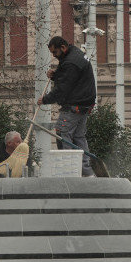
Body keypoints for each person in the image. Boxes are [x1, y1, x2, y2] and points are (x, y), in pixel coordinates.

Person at [38, 36, 97, 177]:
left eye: (55, 52)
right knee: (78, 137)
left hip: (74, 104)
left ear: (63, 48)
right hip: (84, 104)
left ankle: (70, 171)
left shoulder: (71, 62)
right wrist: (56, 75)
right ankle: (86, 172)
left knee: (63, 133)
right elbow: (71, 78)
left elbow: (63, 89)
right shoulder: (74, 53)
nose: (54, 55)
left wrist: (45, 100)